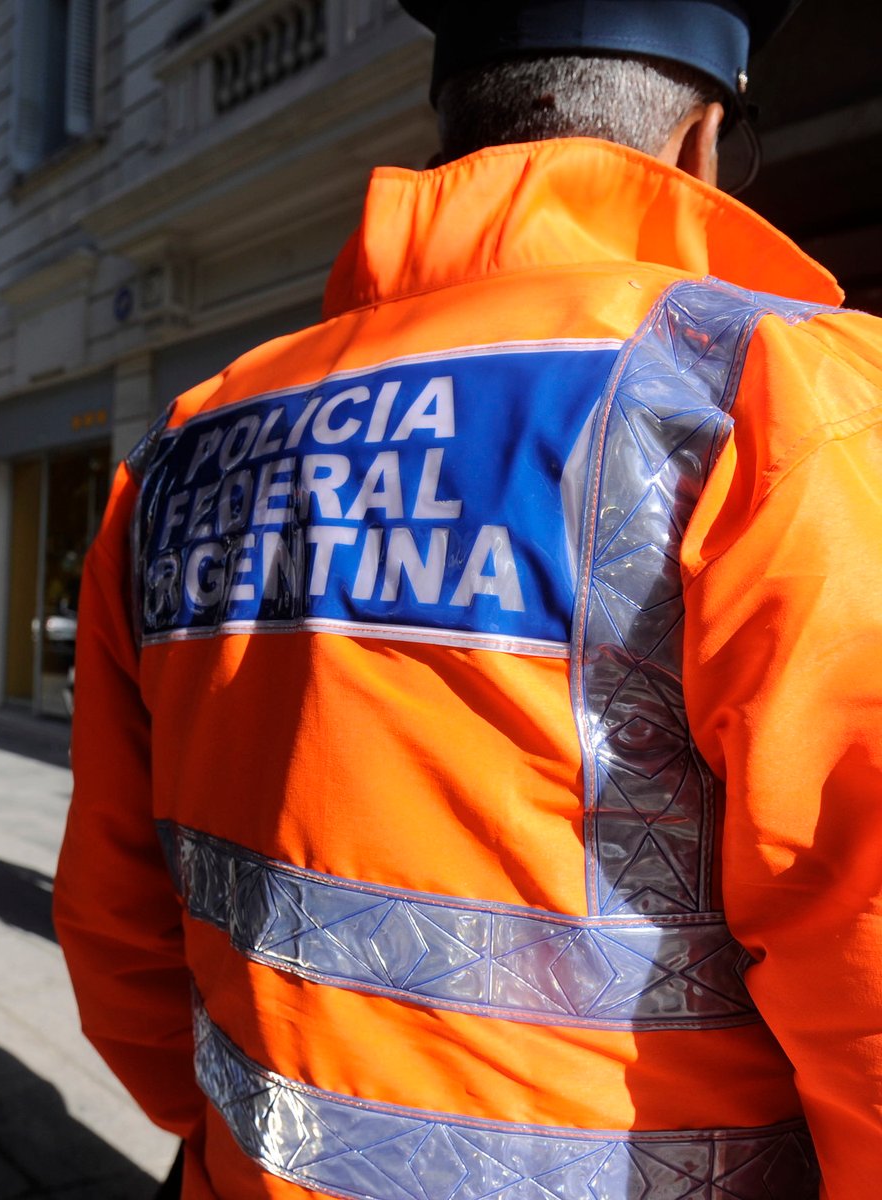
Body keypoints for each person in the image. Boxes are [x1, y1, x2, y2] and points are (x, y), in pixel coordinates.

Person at [53, 3, 882, 1198]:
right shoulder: (775, 398)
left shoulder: (187, 443)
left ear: (450, 128)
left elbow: (114, 914)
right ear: (699, 140)